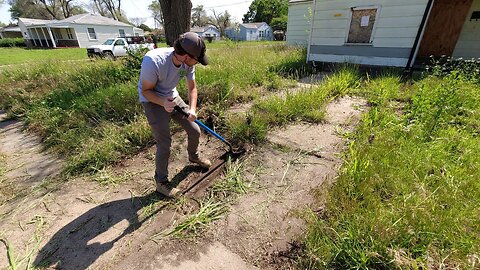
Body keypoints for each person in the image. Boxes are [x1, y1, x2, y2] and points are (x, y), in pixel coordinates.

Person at [138, 32, 212, 197]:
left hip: (173, 96)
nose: (197, 63)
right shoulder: (154, 61)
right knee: (165, 143)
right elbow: (146, 91)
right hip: (153, 101)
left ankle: (193, 156)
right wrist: (163, 103)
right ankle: (161, 182)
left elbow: (192, 88)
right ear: (186, 56)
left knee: (195, 130)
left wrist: (192, 109)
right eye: (196, 60)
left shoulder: (187, 64)